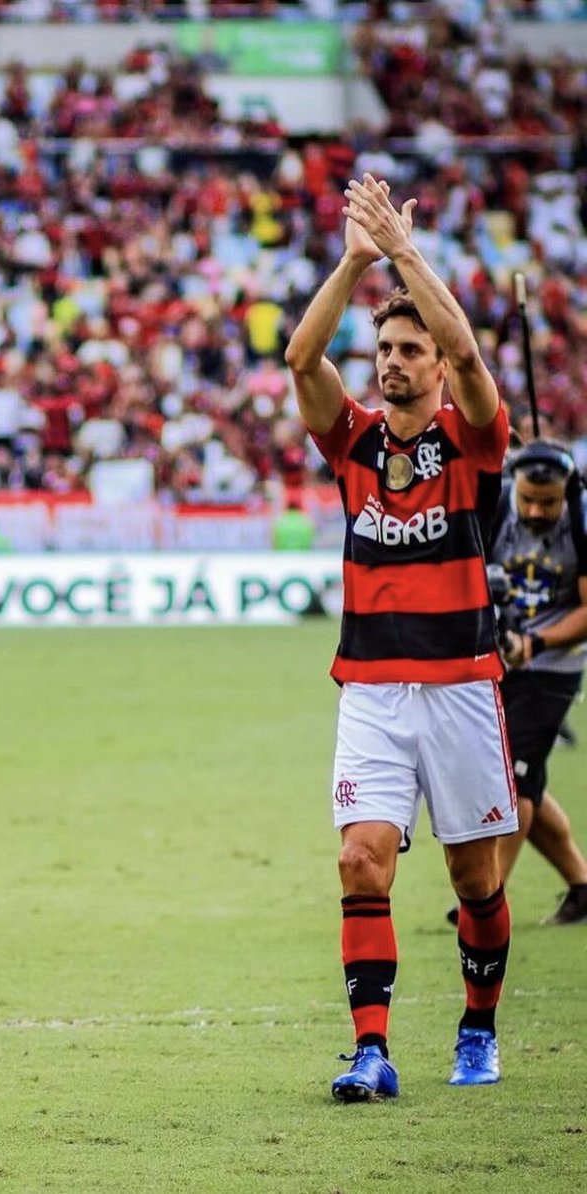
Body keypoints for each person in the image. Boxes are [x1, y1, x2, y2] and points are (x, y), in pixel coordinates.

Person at [285, 175, 516, 1101]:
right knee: (359, 857)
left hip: (461, 684)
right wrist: (354, 260)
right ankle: (371, 1051)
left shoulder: (474, 440)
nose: (392, 362)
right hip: (373, 689)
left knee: (475, 882)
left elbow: (468, 352)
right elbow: (303, 359)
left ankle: (477, 1030)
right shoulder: (352, 443)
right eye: (383, 348)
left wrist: (410, 259)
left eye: (406, 349)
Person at [478, 440, 587, 924]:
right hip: (499, 662)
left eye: (548, 501)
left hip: (554, 667)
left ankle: (484, 903)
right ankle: (583, 887)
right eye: (528, 499)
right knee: (526, 778)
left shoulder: (581, 523)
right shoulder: (499, 506)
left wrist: (535, 645)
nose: (536, 510)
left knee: (515, 782)